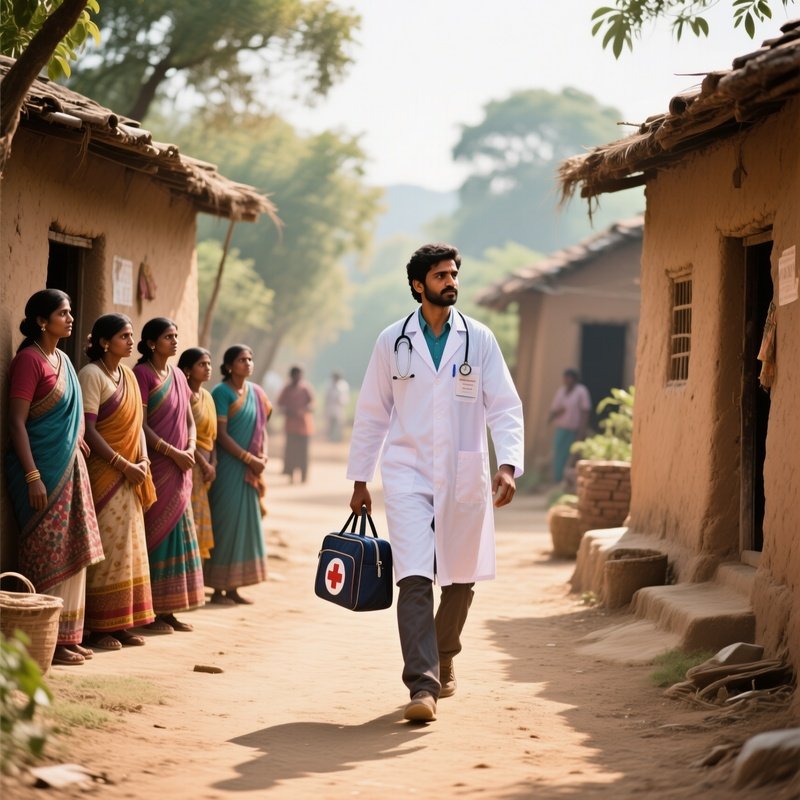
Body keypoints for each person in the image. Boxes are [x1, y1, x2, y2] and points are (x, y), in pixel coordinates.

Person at [347, 243, 524, 722]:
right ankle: (422, 686)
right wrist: (361, 477)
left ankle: (446, 653)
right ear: (418, 284)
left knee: (462, 577)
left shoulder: (479, 339)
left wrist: (507, 464)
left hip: (464, 470)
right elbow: (372, 412)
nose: (451, 282)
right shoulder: (392, 341)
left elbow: (505, 405)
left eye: (454, 274)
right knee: (414, 576)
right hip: (406, 471)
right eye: (441, 275)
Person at [7, 289, 104, 666]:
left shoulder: (63, 359)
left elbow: (75, 414)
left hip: (69, 467)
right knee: (46, 553)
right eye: (63, 313)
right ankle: (44, 638)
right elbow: (17, 422)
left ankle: (67, 636)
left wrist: (76, 438)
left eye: (70, 312)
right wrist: (32, 476)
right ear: (42, 321)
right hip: (40, 471)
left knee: (73, 552)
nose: (71, 319)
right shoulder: (28, 361)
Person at [79, 314, 156, 649]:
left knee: (130, 548)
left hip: (132, 473)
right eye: (124, 335)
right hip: (105, 473)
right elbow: (89, 428)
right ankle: (99, 627)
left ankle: (122, 622)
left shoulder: (127, 375)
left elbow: (137, 423)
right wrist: (122, 464)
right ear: (105, 342)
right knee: (107, 549)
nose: (130, 340)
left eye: (131, 335)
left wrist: (142, 460)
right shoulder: (91, 375)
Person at [133, 318, 204, 632]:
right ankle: (151, 611)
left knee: (179, 535)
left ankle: (170, 609)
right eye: (167, 337)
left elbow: (188, 418)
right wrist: (172, 452)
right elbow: (141, 423)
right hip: (159, 465)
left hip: (181, 468)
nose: (174, 341)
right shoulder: (142, 374)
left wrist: (189, 446)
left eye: (176, 336)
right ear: (151, 343)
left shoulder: (177, 374)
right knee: (155, 537)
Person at [205, 345, 271, 605]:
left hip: (251, 470)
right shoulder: (222, 392)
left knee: (245, 525)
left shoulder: (257, 393)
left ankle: (233, 586)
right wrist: (248, 458)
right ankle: (217, 587)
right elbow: (221, 434)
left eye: (250, 359)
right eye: (242, 360)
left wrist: (263, 456)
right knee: (225, 523)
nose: (248, 363)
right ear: (229, 365)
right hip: (230, 468)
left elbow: (262, 426)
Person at [178, 347, 218, 561]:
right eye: (202, 364)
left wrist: (213, 462)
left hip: (206, 469)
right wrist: (203, 463)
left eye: (209, 364)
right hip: (191, 465)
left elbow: (214, 437)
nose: (207, 368)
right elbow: (183, 433)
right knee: (190, 519)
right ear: (187, 370)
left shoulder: (208, 397)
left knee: (202, 521)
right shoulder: (183, 396)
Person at [548, 368, 592, 483]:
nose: (566, 380)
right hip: (561, 429)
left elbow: (585, 411)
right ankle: (557, 480)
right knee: (559, 454)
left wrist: (582, 431)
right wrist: (555, 414)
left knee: (571, 455)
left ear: (574, 379)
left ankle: (566, 481)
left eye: (568, 378)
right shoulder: (561, 391)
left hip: (574, 430)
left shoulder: (581, 391)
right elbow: (554, 410)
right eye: (565, 378)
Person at [277, 365, 315, 483]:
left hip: (304, 427)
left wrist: (304, 410)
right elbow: (280, 404)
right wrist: (288, 410)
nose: (297, 377)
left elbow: (313, 403)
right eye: (295, 375)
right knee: (291, 453)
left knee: (303, 453)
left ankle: (304, 476)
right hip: (291, 427)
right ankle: (291, 475)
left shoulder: (306, 388)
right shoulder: (286, 389)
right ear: (291, 376)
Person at [324, 371, 350, 442]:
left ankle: (338, 439)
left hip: (339, 408)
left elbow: (345, 398)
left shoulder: (343, 385)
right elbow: (326, 397)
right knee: (331, 424)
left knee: (338, 424)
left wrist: (341, 401)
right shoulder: (328, 384)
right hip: (330, 407)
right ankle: (331, 439)